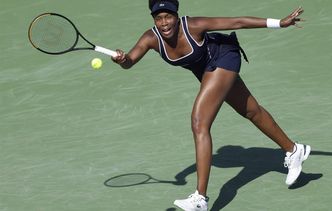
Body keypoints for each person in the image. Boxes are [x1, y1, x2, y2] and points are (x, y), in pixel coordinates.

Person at [112, 0, 311, 210]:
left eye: (168, 16)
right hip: (207, 71)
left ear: (176, 16)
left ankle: (200, 198)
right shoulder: (151, 38)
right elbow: (130, 61)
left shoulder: (193, 25)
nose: (164, 23)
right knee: (252, 111)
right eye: (158, 18)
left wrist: (279, 23)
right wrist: (122, 59)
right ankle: (294, 149)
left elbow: (237, 22)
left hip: (223, 57)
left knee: (199, 123)